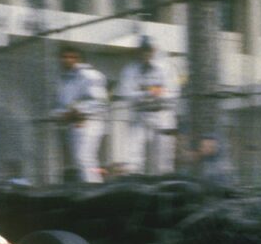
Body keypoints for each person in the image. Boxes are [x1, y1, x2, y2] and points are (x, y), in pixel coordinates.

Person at [116, 35, 179, 175]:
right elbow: (126, 94)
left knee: (163, 161)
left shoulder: (166, 68)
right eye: (143, 50)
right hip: (140, 115)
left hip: (162, 115)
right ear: (138, 51)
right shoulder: (130, 69)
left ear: (154, 50)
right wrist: (150, 93)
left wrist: (149, 93)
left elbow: (173, 94)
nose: (146, 53)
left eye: (149, 49)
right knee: (133, 158)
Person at [52, 45, 109, 183]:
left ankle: (93, 191)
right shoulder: (63, 80)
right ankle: (92, 188)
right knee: (80, 160)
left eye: (71, 57)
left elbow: (100, 102)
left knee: (84, 157)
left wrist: (79, 110)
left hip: (90, 122)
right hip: (73, 125)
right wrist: (61, 114)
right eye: (64, 57)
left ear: (79, 59)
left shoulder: (90, 75)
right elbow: (59, 106)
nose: (67, 60)